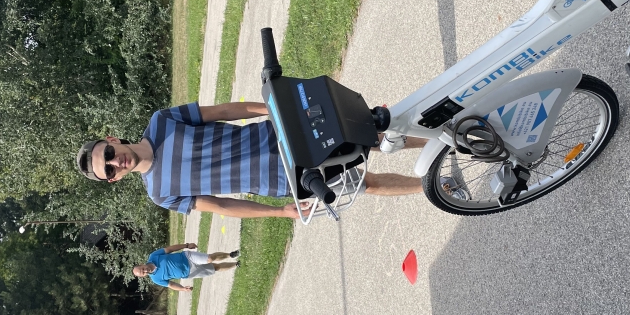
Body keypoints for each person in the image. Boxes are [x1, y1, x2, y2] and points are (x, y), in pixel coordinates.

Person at [75, 101, 424, 219]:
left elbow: (223, 111)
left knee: (368, 136)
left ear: (112, 140)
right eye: (108, 170)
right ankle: (434, 186)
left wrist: (274, 109)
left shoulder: (162, 121)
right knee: (365, 183)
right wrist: (278, 212)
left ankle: (441, 139)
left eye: (108, 155)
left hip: (280, 135)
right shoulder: (159, 194)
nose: (115, 162)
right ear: (113, 180)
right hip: (284, 179)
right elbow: (221, 206)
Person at [132, 242, 239, 292]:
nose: (145, 271)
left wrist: (186, 245)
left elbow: (170, 249)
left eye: (142, 269)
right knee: (215, 268)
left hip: (187, 257)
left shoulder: (153, 256)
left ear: (142, 264)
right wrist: (183, 288)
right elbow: (171, 284)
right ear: (143, 276)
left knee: (209, 258)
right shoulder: (156, 279)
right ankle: (236, 264)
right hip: (189, 272)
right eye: (143, 273)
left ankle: (230, 255)